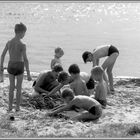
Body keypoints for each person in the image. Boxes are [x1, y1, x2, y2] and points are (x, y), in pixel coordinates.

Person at [0, 23, 32, 112]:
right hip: (19, 66)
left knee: (11, 88)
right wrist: (28, 74)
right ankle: (17, 107)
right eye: (24, 33)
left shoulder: (9, 42)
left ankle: (10, 107)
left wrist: (1, 67)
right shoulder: (22, 44)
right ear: (21, 32)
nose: (24, 35)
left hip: (11, 65)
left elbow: (2, 55)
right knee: (18, 88)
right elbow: (25, 59)